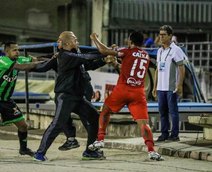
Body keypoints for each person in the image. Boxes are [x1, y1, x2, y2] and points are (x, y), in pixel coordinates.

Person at [33, 31, 109, 161]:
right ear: (67, 43)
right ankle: (40, 153)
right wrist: (106, 51)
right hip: (66, 96)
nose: (77, 42)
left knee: (95, 117)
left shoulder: (74, 55)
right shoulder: (66, 55)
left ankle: (89, 151)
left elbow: (89, 64)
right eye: (75, 39)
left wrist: (104, 60)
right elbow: (88, 57)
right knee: (57, 124)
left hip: (78, 97)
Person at [88, 31, 164, 161]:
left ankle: (100, 139)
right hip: (138, 93)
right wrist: (115, 63)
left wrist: (95, 38)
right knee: (144, 124)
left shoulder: (127, 51)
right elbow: (129, 68)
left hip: (123, 89)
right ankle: (152, 151)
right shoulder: (145, 55)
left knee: (105, 110)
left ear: (130, 41)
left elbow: (103, 50)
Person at [0, 41, 40, 157]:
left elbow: (34, 60)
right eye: (14, 50)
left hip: (7, 100)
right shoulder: (2, 61)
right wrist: (38, 63)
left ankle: (23, 149)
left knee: (23, 125)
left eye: (18, 50)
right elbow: (22, 67)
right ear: (6, 51)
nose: (17, 52)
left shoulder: (19, 59)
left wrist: (53, 58)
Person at [152, 25, 186, 142]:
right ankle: (164, 133)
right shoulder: (160, 51)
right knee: (162, 112)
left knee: (173, 111)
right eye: (160, 34)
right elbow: (157, 69)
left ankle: (175, 134)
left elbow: (182, 68)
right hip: (161, 87)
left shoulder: (176, 50)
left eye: (163, 35)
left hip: (171, 87)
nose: (161, 37)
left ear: (170, 36)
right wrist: (155, 86)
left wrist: (179, 85)